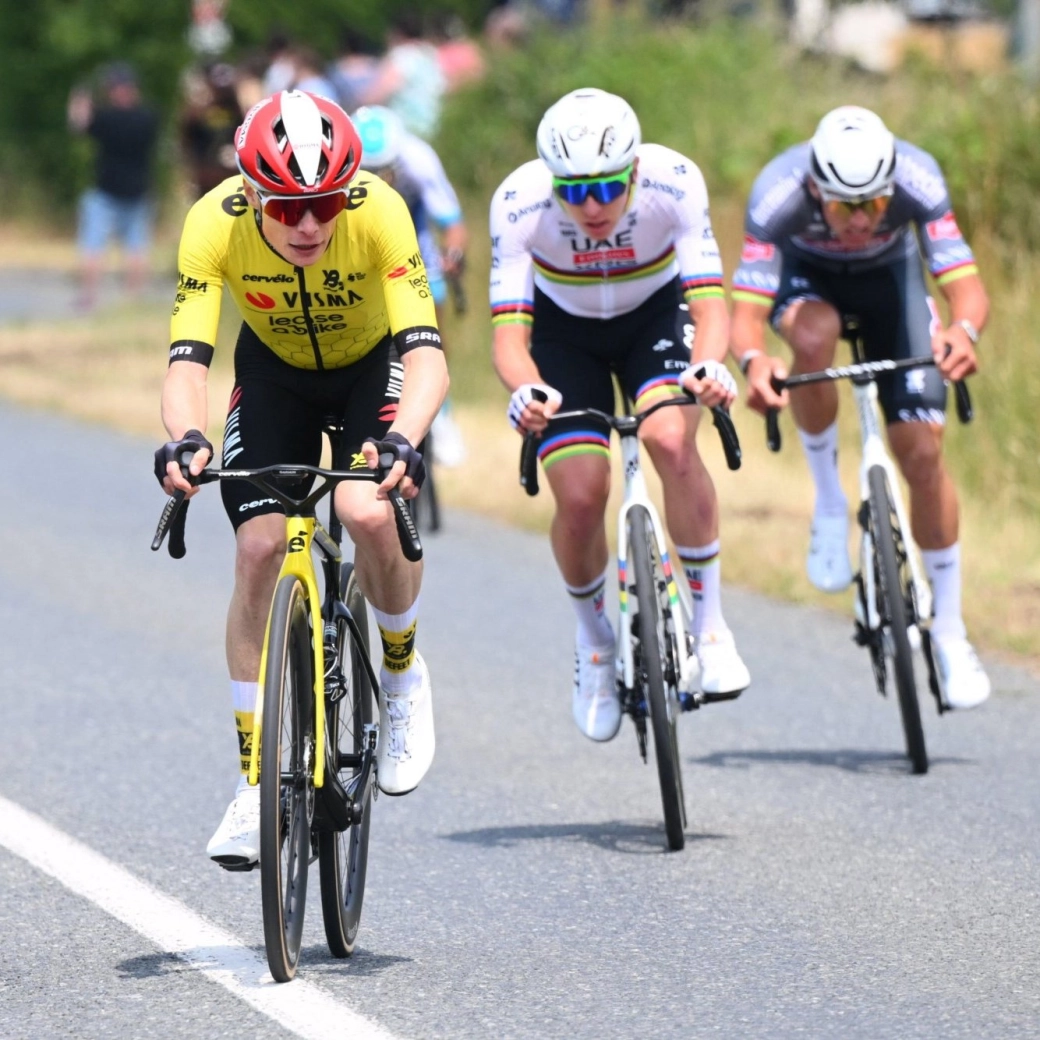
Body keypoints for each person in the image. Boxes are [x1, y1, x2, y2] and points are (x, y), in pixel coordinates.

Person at [155, 90, 448, 867]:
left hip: (370, 370)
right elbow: (188, 363)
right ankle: (254, 782)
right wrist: (186, 439)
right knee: (258, 548)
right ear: (252, 194)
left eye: (324, 203)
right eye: (287, 208)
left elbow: (426, 355)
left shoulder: (379, 210)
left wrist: (405, 438)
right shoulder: (212, 222)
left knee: (366, 510)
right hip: (274, 374)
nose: (309, 225)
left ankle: (401, 673)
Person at [490, 88, 751, 741]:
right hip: (563, 335)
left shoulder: (674, 181)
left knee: (670, 439)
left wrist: (709, 366)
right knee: (581, 494)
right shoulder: (520, 202)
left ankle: (711, 628)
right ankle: (595, 644)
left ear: (634, 170)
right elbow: (509, 339)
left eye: (608, 187)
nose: (592, 206)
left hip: (655, 319)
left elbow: (709, 307)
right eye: (574, 192)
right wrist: (526, 390)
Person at [729, 105, 990, 710]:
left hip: (891, 284)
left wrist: (964, 332)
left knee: (921, 454)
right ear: (816, 188)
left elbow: (965, 286)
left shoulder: (919, 177)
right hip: (808, 284)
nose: (860, 219)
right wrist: (754, 362)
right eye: (845, 206)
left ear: (891, 188)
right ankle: (828, 503)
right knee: (813, 336)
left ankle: (951, 632)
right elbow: (746, 315)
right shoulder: (777, 192)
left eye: (874, 204)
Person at [352, 104, 469, 465]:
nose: (377, 181)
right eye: (367, 173)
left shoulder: (418, 159)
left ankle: (441, 414)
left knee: (433, 317)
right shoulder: (341, 162)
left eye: (384, 172)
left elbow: (451, 222)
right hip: (361, 247)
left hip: (415, 244)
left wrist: (453, 256)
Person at [67, 62, 159, 309]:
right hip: (139, 190)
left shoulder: (105, 118)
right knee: (136, 247)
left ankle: (88, 297)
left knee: (93, 245)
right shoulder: (148, 117)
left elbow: (79, 125)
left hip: (106, 191)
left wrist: (80, 99)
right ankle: (133, 301)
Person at [358, 11, 446, 139]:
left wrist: (356, 106)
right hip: (433, 128)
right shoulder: (430, 54)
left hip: (406, 130)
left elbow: (380, 92)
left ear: (397, 33)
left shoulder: (402, 56)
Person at [178, 62, 243, 199]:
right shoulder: (196, 112)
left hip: (233, 176)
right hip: (206, 177)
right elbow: (187, 141)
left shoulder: (236, 110)